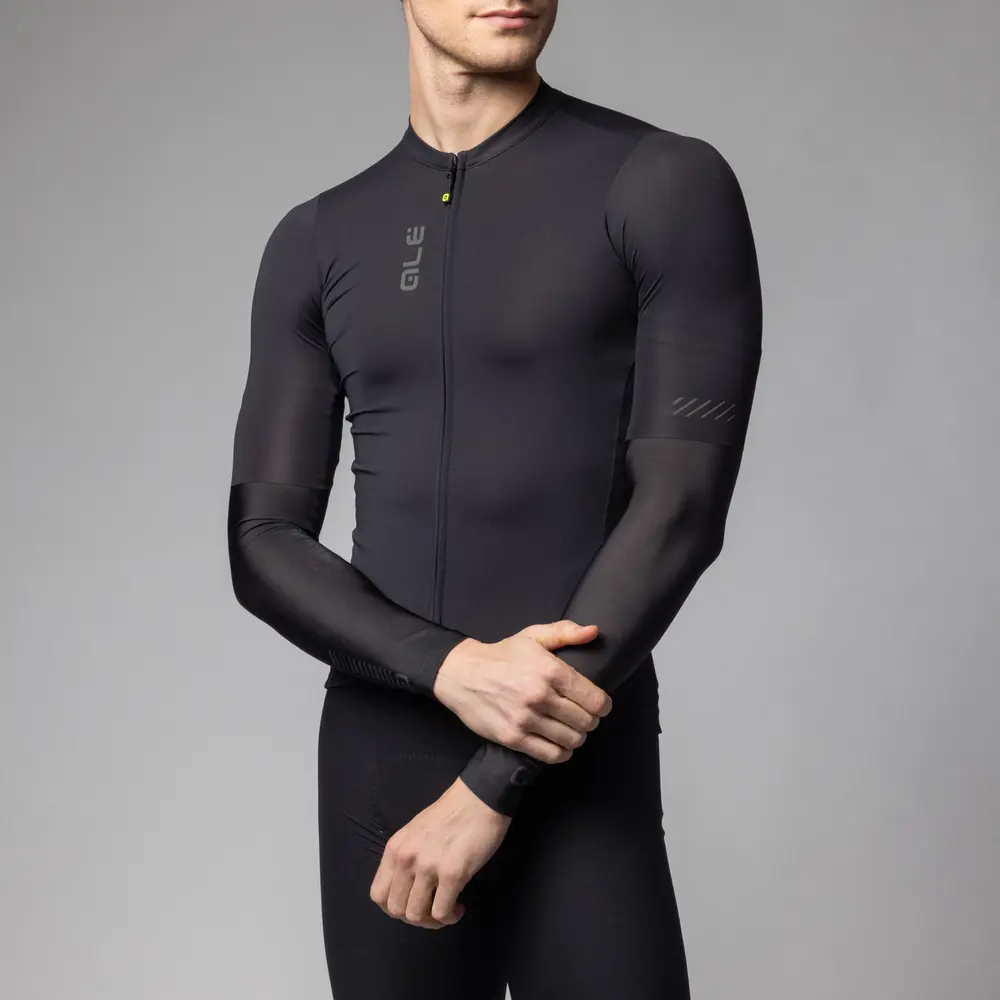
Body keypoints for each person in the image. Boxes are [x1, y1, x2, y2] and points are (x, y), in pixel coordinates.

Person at [226, 1, 762, 997]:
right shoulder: (316, 238)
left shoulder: (662, 183)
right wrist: (451, 667)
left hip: (575, 761)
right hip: (380, 768)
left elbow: (681, 510)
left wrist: (491, 782)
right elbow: (262, 541)